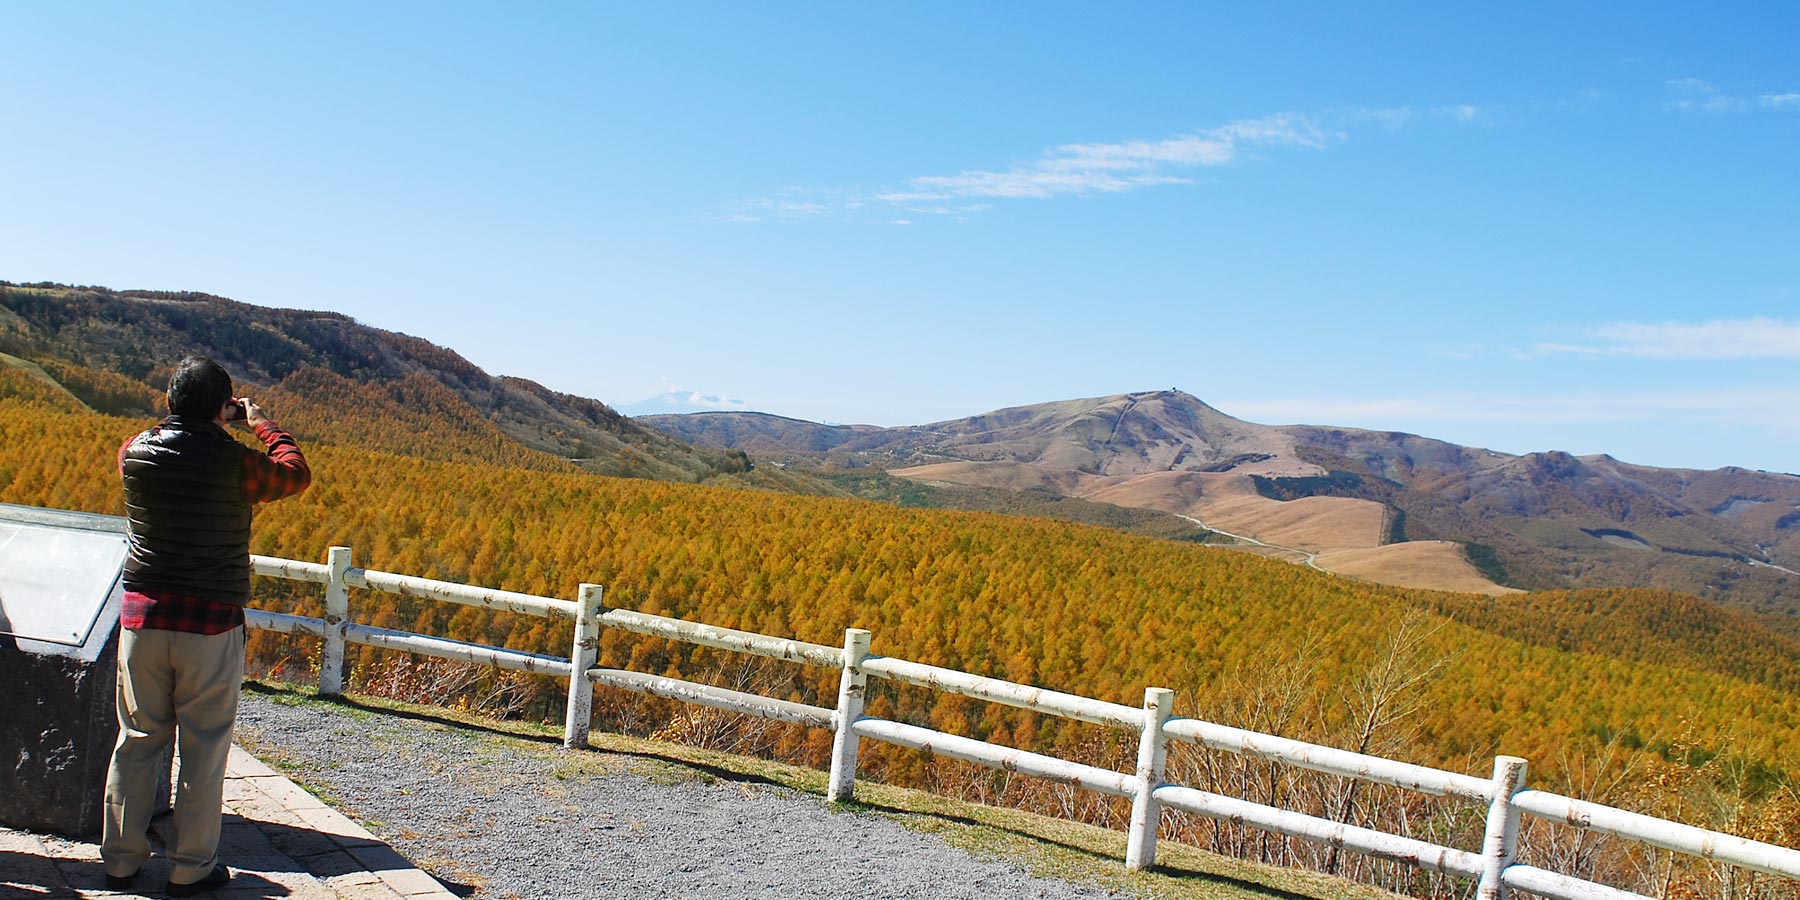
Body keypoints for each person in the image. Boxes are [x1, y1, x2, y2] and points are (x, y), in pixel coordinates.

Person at [100, 356, 311, 896]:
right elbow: (294, 473)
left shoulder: (134, 454)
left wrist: (205, 416)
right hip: (211, 624)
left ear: (169, 402)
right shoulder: (236, 464)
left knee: (138, 738)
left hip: (142, 618)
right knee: (204, 747)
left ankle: (121, 860)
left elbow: (150, 440)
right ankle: (191, 868)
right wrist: (259, 421)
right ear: (223, 407)